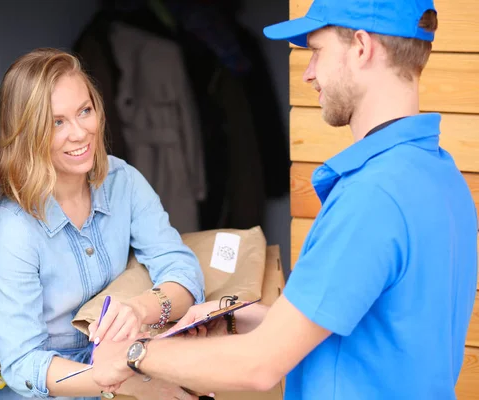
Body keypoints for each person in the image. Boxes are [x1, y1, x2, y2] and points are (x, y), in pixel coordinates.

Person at [91, 0, 478, 399]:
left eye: (316, 51)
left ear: (361, 47)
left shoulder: (372, 196)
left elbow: (260, 365)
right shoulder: (440, 175)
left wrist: (133, 354)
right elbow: (375, 331)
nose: (308, 74)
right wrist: (243, 318)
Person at [0, 47, 205, 400]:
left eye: (84, 111)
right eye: (57, 122)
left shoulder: (123, 181)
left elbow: (183, 271)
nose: (80, 132)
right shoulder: (14, 228)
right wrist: (127, 381)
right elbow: (24, 363)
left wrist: (138, 309)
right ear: (26, 134)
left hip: (124, 363)